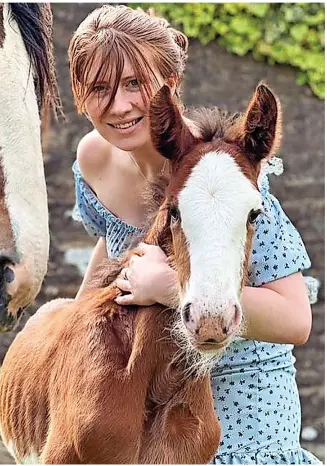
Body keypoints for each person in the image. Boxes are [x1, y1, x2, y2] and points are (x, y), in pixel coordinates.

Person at [68, 5, 321, 464]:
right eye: (99, 88)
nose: (119, 106)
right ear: (80, 96)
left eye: (134, 84)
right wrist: (72, 326)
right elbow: (114, 242)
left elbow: (295, 319)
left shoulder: (219, 172)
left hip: (239, 402)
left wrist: (168, 288)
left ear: (170, 85)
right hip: (148, 402)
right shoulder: (95, 160)